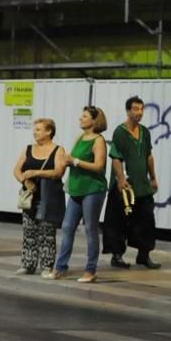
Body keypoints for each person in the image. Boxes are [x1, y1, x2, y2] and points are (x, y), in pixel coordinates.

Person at [48, 106, 108, 284]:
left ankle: (90, 270)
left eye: (85, 116)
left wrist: (75, 161)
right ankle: (60, 268)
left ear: (94, 120)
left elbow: (99, 166)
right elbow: (74, 160)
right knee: (67, 227)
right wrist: (66, 161)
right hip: (75, 189)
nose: (80, 119)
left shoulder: (98, 140)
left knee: (90, 229)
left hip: (92, 190)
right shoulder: (80, 137)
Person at [103, 96, 161, 270]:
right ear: (128, 111)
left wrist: (153, 177)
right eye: (135, 109)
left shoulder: (145, 132)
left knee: (146, 220)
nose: (139, 112)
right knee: (118, 221)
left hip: (142, 186)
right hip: (124, 186)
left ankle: (144, 255)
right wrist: (120, 180)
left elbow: (149, 156)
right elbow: (115, 158)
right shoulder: (120, 132)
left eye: (142, 109)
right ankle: (117, 256)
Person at [12, 118, 66, 276]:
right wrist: (24, 180)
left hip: (49, 196)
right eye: (34, 129)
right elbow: (16, 170)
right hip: (30, 197)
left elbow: (58, 172)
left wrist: (36, 172)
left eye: (39, 129)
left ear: (49, 131)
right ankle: (28, 264)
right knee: (29, 231)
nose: (35, 132)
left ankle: (47, 265)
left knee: (47, 232)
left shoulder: (58, 150)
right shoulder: (28, 149)